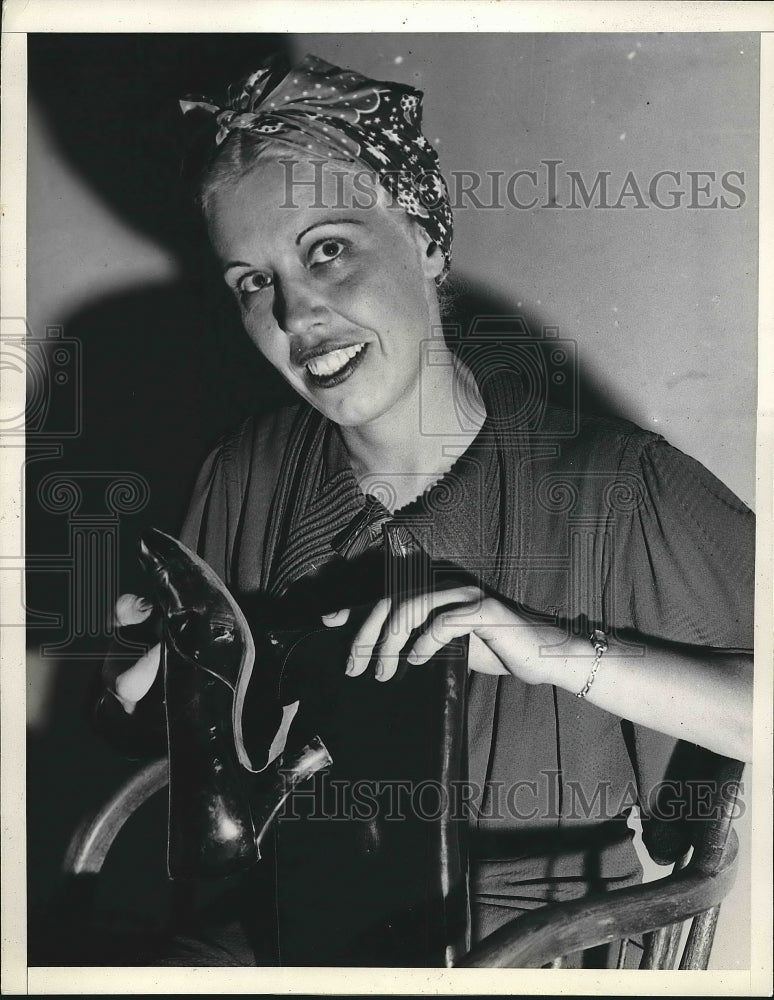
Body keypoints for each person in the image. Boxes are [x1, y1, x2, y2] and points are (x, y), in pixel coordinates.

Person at [97, 53, 755, 967]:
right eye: (250, 280)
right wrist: (148, 675)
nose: (294, 313)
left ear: (427, 237)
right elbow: (181, 731)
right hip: (296, 929)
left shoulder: (617, 487)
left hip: (529, 945)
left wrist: (554, 650)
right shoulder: (245, 471)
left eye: (328, 248)